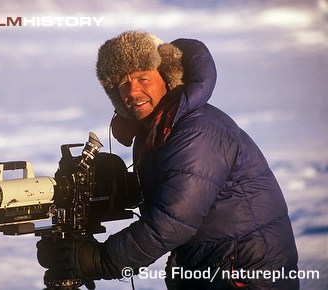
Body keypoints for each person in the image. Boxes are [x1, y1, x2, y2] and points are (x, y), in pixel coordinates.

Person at [37, 31, 299, 289]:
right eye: (123, 84)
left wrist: (99, 259)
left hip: (244, 273)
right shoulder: (160, 127)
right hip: (215, 265)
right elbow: (173, 190)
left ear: (168, 77)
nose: (133, 92)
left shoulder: (196, 130)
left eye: (142, 78)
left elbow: (173, 221)